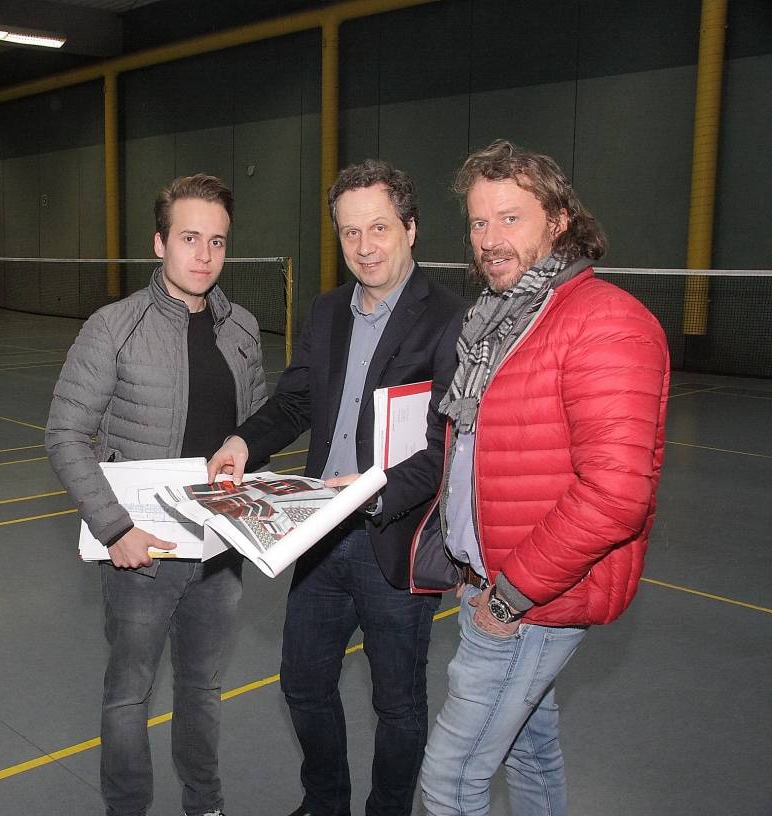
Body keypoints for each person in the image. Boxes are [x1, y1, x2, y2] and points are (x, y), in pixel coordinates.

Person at [416, 140, 670, 815]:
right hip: (493, 583)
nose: (489, 239)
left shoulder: (605, 322)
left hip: (530, 601)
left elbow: (616, 494)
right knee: (529, 751)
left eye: (510, 218)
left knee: (449, 783)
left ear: (558, 221)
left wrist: (509, 598)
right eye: (478, 222)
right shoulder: (500, 320)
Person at [207, 160, 466, 816]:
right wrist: (244, 442)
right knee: (302, 684)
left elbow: (447, 447)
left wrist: (374, 488)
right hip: (321, 536)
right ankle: (326, 802)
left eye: (379, 227)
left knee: (398, 705)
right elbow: (296, 399)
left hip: (394, 539)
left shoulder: (448, 319)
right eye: (350, 232)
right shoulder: (327, 311)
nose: (365, 246)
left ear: (411, 228)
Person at [46, 173, 268, 816]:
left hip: (219, 551)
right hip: (141, 555)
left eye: (217, 241)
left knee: (202, 691)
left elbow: (254, 431)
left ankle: (206, 805)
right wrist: (115, 529)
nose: (204, 255)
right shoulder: (113, 327)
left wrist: (251, 473)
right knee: (128, 696)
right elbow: (65, 434)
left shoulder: (243, 329)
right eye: (189, 238)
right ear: (159, 242)